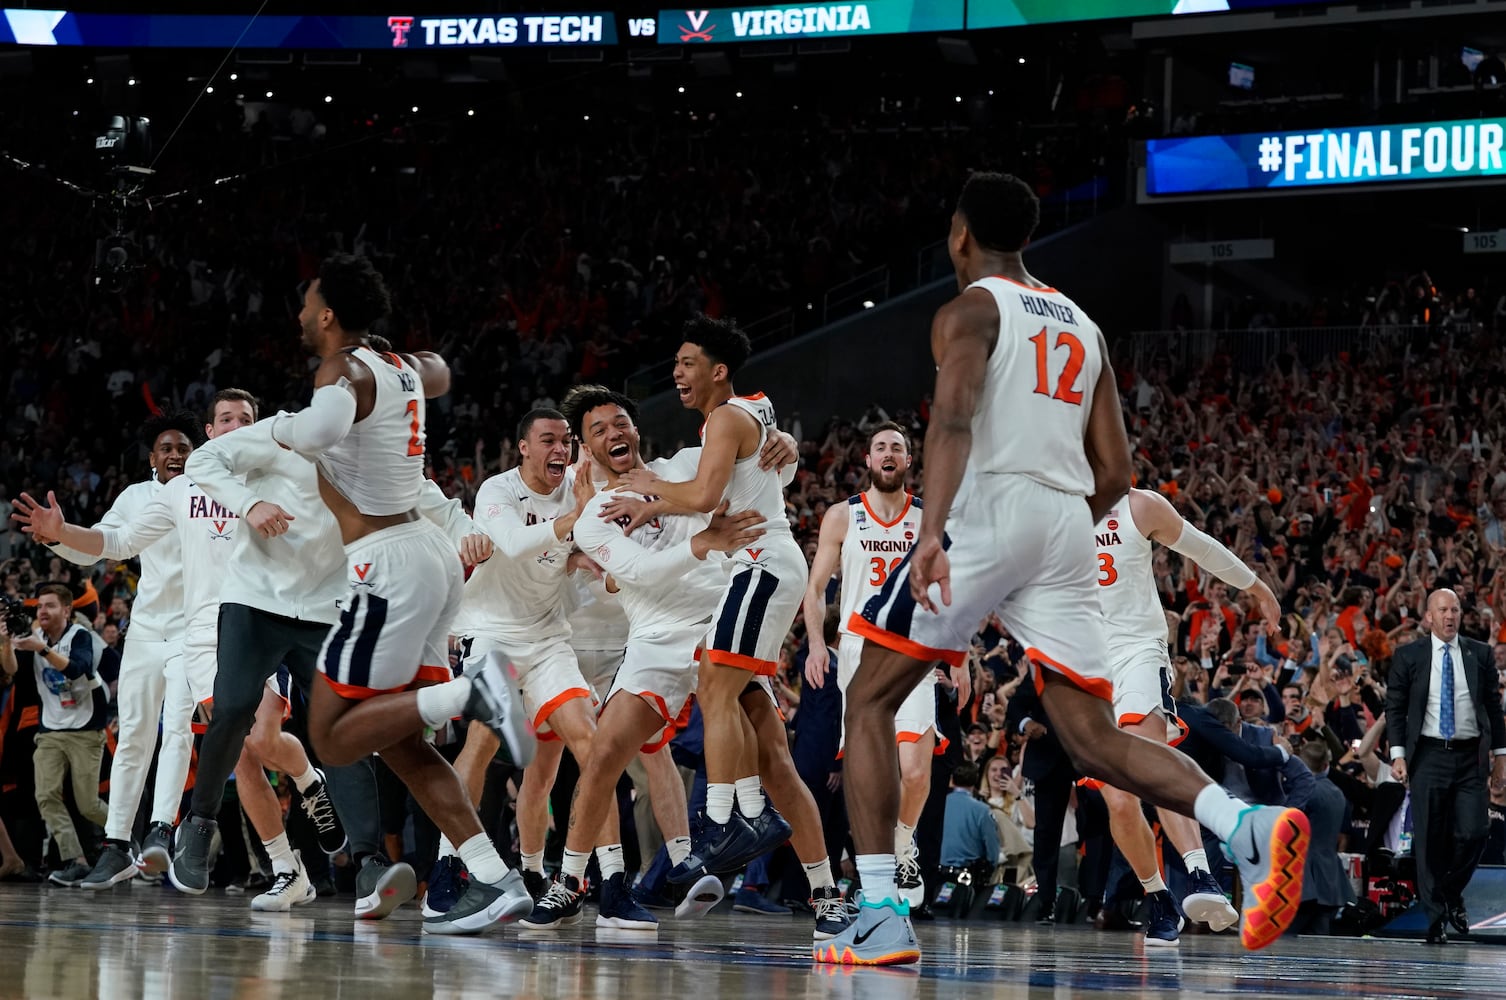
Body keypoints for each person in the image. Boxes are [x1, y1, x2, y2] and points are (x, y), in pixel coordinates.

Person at [820, 172, 1310, 966]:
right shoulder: (1084, 324)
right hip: (1068, 523)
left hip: (991, 511)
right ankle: (1242, 825)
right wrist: (1054, 539)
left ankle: (879, 910)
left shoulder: (971, 309)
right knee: (1091, 737)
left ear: (959, 235)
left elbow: (949, 420)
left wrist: (937, 532)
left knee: (869, 698)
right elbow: (1115, 469)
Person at [176, 255, 534, 935]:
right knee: (401, 744)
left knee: (334, 737)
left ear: (330, 314)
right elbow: (439, 374)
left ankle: (470, 696)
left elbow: (318, 429)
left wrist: (298, 420)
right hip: (400, 567)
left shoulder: (336, 385)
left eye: (309, 303)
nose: (302, 315)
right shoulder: (402, 371)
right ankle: (495, 878)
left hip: (378, 571)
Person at [15, 391, 348, 907]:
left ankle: (307, 778)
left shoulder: (279, 477)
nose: (236, 425)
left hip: (259, 625)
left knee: (262, 739)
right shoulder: (180, 491)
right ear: (211, 434)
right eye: (226, 419)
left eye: (247, 419)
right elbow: (117, 543)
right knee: (239, 753)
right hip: (199, 638)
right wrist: (61, 536)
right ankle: (286, 866)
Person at [620, 317, 848, 939]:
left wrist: (646, 489)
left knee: (713, 686)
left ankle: (726, 820)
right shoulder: (744, 411)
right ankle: (825, 891)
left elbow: (700, 495)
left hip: (759, 566)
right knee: (773, 753)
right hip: (757, 571)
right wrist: (653, 495)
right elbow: (742, 465)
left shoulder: (724, 420)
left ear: (718, 370)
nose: (677, 372)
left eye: (687, 362)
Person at [519, 385, 762, 930]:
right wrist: (696, 544)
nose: (614, 433)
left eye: (620, 422)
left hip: (681, 632)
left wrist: (781, 444)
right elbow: (621, 571)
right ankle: (546, 875)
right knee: (571, 763)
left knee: (685, 754)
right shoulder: (581, 509)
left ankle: (692, 861)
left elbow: (746, 451)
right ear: (584, 448)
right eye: (598, 431)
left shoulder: (682, 468)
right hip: (586, 642)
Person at [12, 413, 198, 887]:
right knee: (135, 733)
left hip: (193, 629)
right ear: (152, 456)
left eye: (183, 447)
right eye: (166, 447)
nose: (176, 454)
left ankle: (161, 831)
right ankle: (117, 844)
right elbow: (101, 545)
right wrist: (58, 535)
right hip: (147, 628)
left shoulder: (211, 494)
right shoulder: (135, 497)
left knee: (177, 727)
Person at [1092, 486, 1278, 942]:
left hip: (1136, 648)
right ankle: (1158, 897)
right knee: (1118, 799)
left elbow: (1202, 546)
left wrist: (1254, 585)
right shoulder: (1048, 508)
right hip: (1085, 661)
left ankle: (1200, 875)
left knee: (1150, 758)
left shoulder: (1139, 504)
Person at [802, 421, 938, 909]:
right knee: (870, 770)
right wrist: (817, 644)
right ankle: (876, 873)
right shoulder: (842, 516)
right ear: (867, 460)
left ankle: (904, 843)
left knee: (915, 772)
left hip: (912, 648)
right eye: (880, 446)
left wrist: (955, 654)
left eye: (896, 448)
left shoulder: (927, 518)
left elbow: (949, 588)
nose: (888, 453)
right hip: (858, 650)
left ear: (906, 462)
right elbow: (815, 588)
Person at [1386, 588, 1506, 944]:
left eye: (1455, 609)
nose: (1450, 616)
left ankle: (1450, 892)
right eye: (1443, 610)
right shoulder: (1409, 656)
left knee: (1474, 830)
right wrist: (1397, 754)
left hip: (1471, 756)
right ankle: (1436, 919)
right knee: (1429, 840)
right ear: (1429, 617)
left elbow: (1494, 710)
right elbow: (1395, 707)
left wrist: (1501, 757)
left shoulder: (1480, 653)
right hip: (1428, 756)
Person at [1, 584, 108, 885]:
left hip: (85, 728)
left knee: (87, 803)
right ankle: (76, 860)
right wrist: (7, 642)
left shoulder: (81, 636)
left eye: (50, 605)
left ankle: (124, 836)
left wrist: (42, 650)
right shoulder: (33, 638)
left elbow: (78, 669)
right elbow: (10, 672)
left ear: (66, 610)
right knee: (45, 796)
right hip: (50, 729)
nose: (42, 611)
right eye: (40, 607)